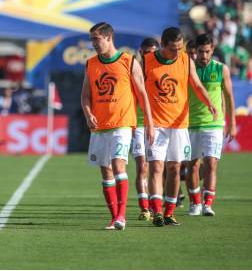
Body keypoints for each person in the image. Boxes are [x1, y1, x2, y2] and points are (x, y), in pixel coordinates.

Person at [81, 22, 154, 230]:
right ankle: (114, 218)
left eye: (97, 39)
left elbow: (142, 94)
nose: (94, 43)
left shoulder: (128, 61)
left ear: (109, 37)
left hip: (122, 124)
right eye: (92, 40)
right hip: (99, 126)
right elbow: (85, 95)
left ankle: (121, 216)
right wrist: (88, 114)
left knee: (118, 165)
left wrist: (149, 123)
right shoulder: (91, 64)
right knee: (105, 172)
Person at [144, 27, 216, 227]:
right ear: (162, 44)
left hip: (179, 124)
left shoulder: (185, 60)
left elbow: (196, 84)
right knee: (156, 167)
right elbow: (137, 90)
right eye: (173, 49)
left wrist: (208, 102)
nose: (177, 52)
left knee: (175, 168)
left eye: (180, 48)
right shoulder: (147, 61)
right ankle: (157, 211)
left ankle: (169, 213)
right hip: (156, 124)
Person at [186, 33, 237, 217]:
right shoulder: (188, 69)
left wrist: (232, 124)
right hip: (191, 124)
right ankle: (195, 203)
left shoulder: (221, 69)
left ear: (212, 50)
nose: (204, 56)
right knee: (191, 165)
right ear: (195, 51)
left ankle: (207, 204)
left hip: (213, 125)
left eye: (207, 52)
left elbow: (230, 97)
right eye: (200, 52)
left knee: (211, 163)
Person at [131, 37, 159, 221]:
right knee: (142, 166)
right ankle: (145, 208)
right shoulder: (134, 68)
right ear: (141, 52)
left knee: (157, 167)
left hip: (158, 124)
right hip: (138, 124)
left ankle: (160, 200)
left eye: (153, 52)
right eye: (146, 52)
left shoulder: (159, 69)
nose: (149, 55)